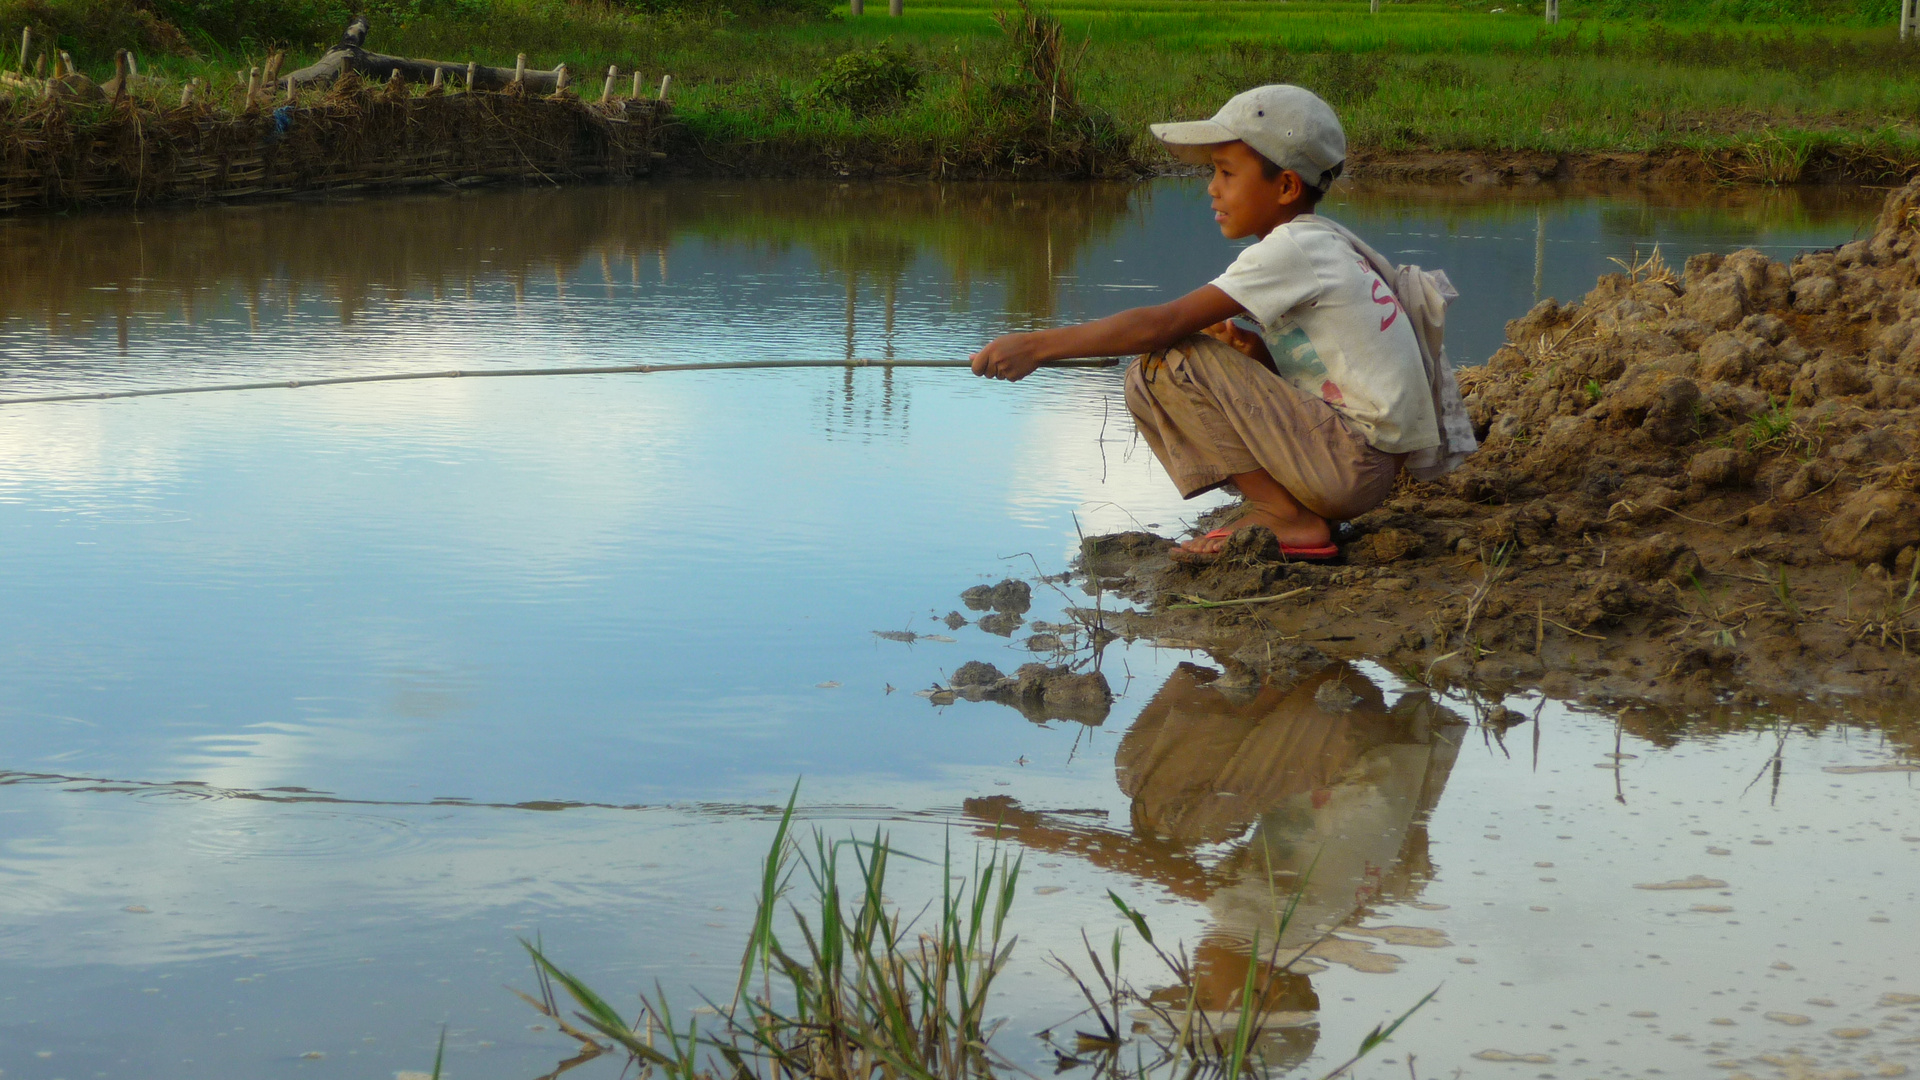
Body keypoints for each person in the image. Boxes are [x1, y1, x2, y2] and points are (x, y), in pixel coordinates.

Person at [969, 85, 1447, 560]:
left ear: (1285, 187)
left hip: (1349, 464)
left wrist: (1035, 346)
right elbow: (1340, 379)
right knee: (1175, 359)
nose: (1212, 188)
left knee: (1168, 360)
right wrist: (1257, 358)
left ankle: (1287, 517)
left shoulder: (1291, 249)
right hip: (1363, 467)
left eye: (1226, 172)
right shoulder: (1326, 241)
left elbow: (1160, 324)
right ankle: (1289, 510)